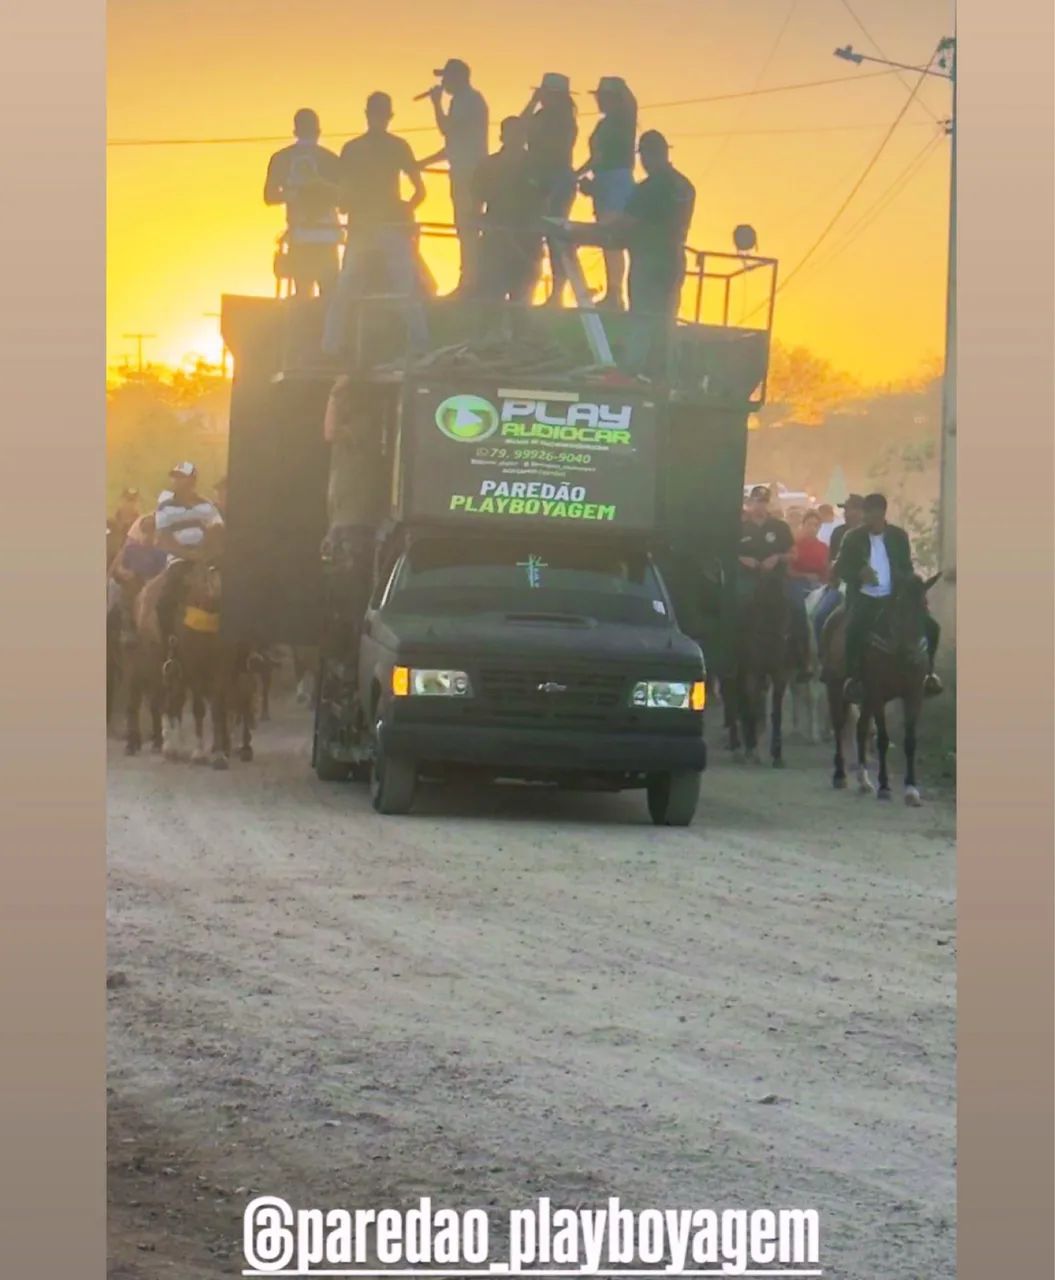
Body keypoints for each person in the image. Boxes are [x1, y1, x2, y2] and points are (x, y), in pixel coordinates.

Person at [322, 93, 428, 359]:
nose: (379, 119)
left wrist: (405, 210)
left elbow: (418, 190)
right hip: (374, 227)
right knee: (396, 287)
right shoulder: (391, 146)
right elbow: (419, 191)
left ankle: (331, 345)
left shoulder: (355, 148)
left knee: (353, 287)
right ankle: (419, 344)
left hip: (378, 226)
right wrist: (406, 209)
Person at [834, 492, 942, 703]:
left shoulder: (898, 537)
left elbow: (907, 567)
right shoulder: (852, 538)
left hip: (895, 597)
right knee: (854, 628)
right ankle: (853, 678)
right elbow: (841, 567)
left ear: (882, 513)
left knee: (931, 627)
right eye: (866, 516)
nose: (869, 521)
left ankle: (929, 673)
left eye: (873, 516)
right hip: (865, 597)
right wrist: (859, 574)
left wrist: (910, 582)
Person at [609, 130, 695, 378]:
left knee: (642, 316)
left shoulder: (650, 187)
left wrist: (605, 225)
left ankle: (632, 371)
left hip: (648, 258)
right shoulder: (684, 186)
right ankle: (665, 372)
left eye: (644, 155)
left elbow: (628, 221)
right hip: (674, 259)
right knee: (666, 318)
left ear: (650, 155)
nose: (643, 162)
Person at [419, 58, 489, 296]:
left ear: (460, 77)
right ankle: (468, 279)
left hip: (469, 173)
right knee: (464, 227)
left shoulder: (467, 101)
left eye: (447, 78)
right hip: (464, 170)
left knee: (468, 226)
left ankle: (471, 282)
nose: (443, 83)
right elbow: (453, 145)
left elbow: (447, 130)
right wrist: (422, 163)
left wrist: (436, 104)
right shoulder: (464, 101)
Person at [264, 109, 343, 298]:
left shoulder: (281, 158)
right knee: (330, 298)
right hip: (327, 238)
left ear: (295, 131)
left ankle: (301, 326)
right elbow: (343, 200)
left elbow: (269, 196)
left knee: (302, 298)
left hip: (300, 238)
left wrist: (292, 195)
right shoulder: (331, 159)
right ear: (318, 131)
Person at [576, 76, 637, 309]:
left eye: (604, 97)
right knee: (607, 237)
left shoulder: (622, 121)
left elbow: (600, 157)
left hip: (616, 180)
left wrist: (580, 173)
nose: (599, 101)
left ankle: (615, 292)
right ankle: (613, 291)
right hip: (604, 179)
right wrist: (579, 173)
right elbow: (596, 158)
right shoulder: (606, 123)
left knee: (613, 237)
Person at [473, 116, 546, 309]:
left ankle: (521, 336)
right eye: (511, 134)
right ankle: (491, 335)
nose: (516, 138)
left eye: (520, 133)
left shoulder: (537, 165)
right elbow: (476, 200)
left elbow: (545, 199)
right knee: (491, 297)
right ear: (502, 136)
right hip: (495, 238)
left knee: (522, 300)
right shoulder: (488, 165)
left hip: (526, 240)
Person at [737, 484, 810, 680]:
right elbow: (727, 553)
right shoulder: (740, 527)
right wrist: (744, 559)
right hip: (748, 578)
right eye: (756, 501)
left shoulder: (779, 527)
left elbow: (793, 554)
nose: (760, 506)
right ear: (749, 502)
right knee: (735, 606)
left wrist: (777, 557)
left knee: (798, 606)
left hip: (776, 579)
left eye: (763, 502)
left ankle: (802, 660)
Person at [520, 72, 578, 306]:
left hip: (553, 179)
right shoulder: (549, 116)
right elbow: (521, 126)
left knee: (553, 233)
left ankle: (555, 292)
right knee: (542, 234)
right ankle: (543, 290)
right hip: (546, 178)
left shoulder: (561, 121)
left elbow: (547, 149)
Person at [154, 463, 225, 642]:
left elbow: (217, 527)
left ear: (192, 480)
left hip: (208, 558)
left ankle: (247, 654)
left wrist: (207, 548)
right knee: (164, 601)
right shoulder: (165, 506)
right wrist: (188, 554)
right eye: (175, 476)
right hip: (179, 560)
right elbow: (163, 539)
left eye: (181, 477)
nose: (176, 480)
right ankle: (170, 647)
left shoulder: (206, 505)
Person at [828, 493, 863, 561]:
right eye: (845, 510)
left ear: (859, 511)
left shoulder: (870, 533)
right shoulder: (838, 532)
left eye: (848, 510)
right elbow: (832, 559)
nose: (845, 514)